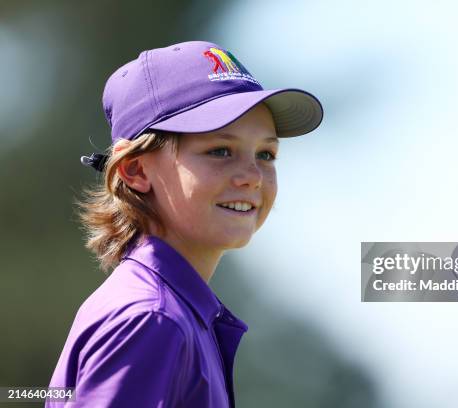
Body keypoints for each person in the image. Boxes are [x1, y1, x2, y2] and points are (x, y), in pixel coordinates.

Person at [46, 40, 323, 407]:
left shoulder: (173, 313)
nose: (252, 176)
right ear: (136, 170)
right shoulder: (151, 321)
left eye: (266, 154)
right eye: (220, 151)